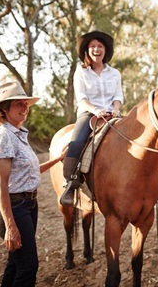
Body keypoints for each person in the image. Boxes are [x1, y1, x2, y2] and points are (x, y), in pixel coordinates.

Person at [0, 81, 67, 286]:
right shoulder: (3, 137)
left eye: (26, 103)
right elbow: (1, 185)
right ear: (4, 109)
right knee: (28, 266)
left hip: (28, 204)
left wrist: (58, 159)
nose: (25, 108)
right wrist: (11, 226)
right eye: (18, 104)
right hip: (13, 207)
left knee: (16, 263)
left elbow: (29, 172)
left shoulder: (18, 134)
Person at [60, 30, 123, 206]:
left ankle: (156, 178)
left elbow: (118, 96)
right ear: (87, 51)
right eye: (93, 46)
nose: (96, 49)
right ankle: (70, 183)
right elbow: (82, 98)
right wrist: (96, 110)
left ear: (105, 50)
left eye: (100, 46)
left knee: (139, 134)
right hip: (89, 113)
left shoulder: (114, 73)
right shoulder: (81, 72)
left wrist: (116, 110)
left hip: (113, 113)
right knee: (77, 142)